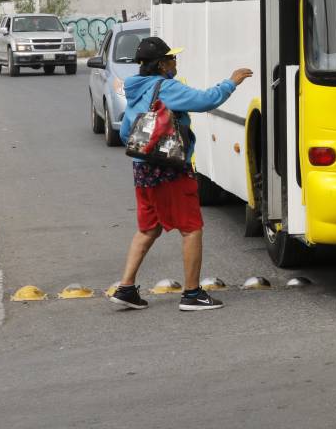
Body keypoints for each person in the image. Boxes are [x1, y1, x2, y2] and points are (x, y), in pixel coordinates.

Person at [108, 36, 252, 312]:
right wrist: (231, 82)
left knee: (148, 228)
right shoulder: (167, 87)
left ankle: (126, 288)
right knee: (191, 229)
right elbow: (206, 100)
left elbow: (127, 132)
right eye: (172, 58)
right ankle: (192, 294)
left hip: (142, 170)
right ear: (162, 64)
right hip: (170, 172)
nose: (176, 62)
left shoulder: (135, 88)